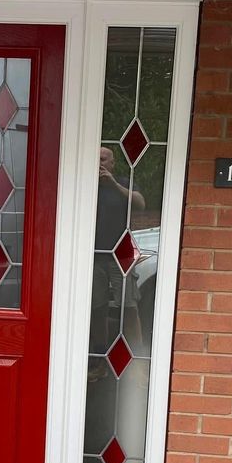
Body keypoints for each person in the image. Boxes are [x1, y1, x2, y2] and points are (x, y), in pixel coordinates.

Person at [88, 147, 145, 383]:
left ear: (112, 163)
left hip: (120, 255)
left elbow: (140, 204)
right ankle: (98, 362)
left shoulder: (123, 182)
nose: (99, 163)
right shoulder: (86, 185)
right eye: (96, 158)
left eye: (103, 159)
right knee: (97, 309)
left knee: (129, 308)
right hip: (93, 255)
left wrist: (113, 184)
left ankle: (139, 364)